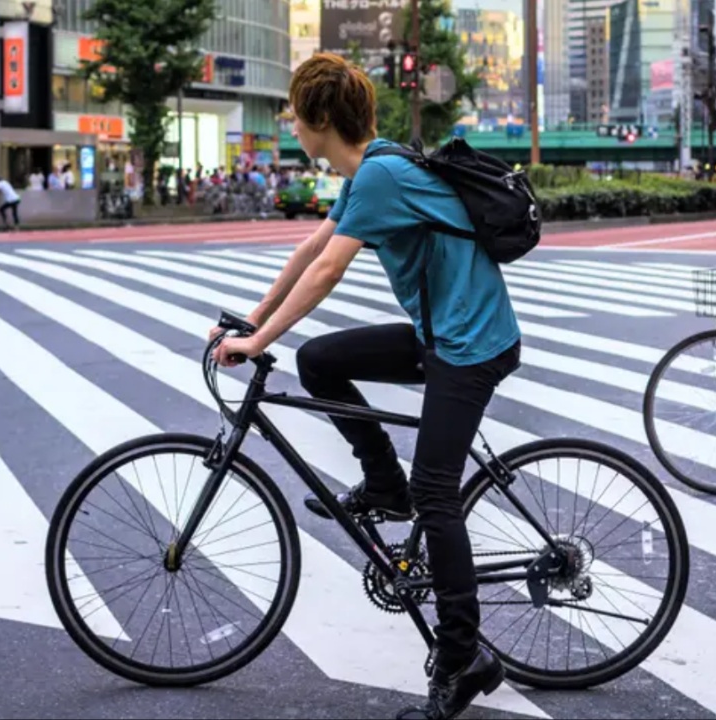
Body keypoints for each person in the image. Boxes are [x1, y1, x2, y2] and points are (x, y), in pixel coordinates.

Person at [210, 52, 520, 719]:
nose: (290, 121)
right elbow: (308, 254)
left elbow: (328, 274)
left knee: (439, 490)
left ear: (321, 119)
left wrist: (259, 344)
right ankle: (385, 485)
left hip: (471, 345)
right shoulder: (367, 171)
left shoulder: (379, 173)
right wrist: (253, 320)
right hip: (440, 335)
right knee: (318, 361)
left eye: (295, 112)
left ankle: (463, 656)